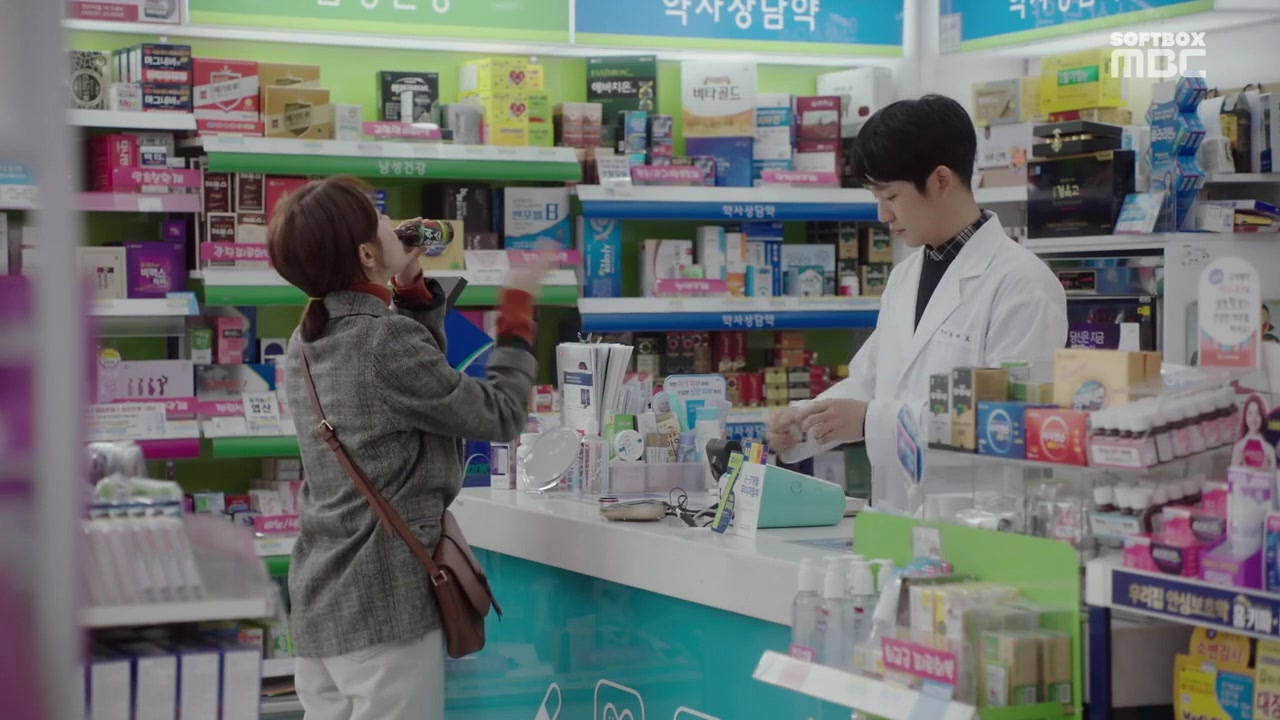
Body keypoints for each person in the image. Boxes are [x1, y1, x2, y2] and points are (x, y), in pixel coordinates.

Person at [267, 175, 552, 720]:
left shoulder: (307, 338)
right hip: (383, 609)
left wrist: (411, 291)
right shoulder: (382, 340)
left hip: (321, 602)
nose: (393, 222)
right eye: (379, 219)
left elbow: (416, 394)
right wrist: (517, 314)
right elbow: (502, 414)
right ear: (366, 253)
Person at [766, 94, 1069, 514]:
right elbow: (871, 382)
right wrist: (803, 421)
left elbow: (1006, 425)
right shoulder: (905, 278)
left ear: (941, 180)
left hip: (978, 525)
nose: (882, 215)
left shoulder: (1023, 285)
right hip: (896, 521)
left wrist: (871, 421)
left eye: (891, 196)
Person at [1230, 394, 1277, 470]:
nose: (1253, 418)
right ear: (1245, 416)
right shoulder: (1238, 447)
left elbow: (1274, 474)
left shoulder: (1269, 449)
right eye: (1250, 413)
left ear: (1263, 416)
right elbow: (1233, 475)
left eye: (1258, 414)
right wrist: (1240, 467)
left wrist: (1265, 471)